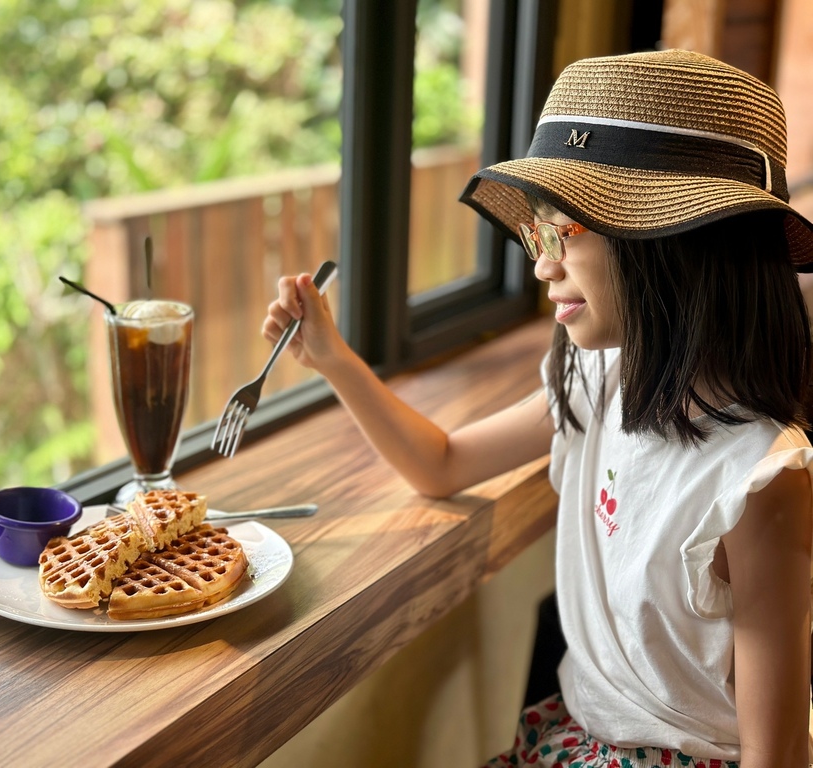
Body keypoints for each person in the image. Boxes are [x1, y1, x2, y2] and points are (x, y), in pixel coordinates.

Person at [262, 50, 813, 767]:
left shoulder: (758, 482)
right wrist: (335, 360)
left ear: (673, 243)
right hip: (570, 737)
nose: (540, 261)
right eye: (535, 232)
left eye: (565, 232)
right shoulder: (597, 376)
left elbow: (779, 755)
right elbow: (442, 463)